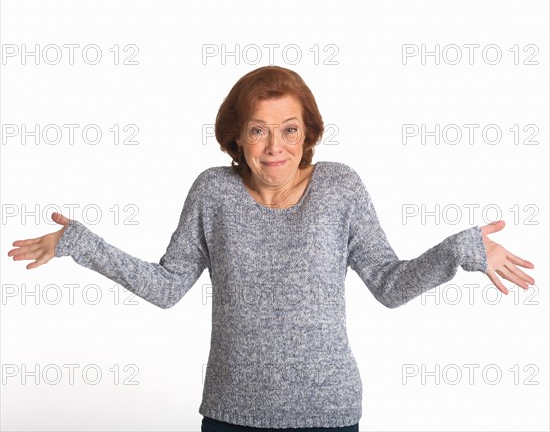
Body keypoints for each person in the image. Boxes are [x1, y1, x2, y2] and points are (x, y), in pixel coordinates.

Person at [8, 65, 535, 432]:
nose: (275, 146)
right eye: (258, 130)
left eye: (290, 130)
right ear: (236, 136)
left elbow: (389, 285)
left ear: (309, 134)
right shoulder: (213, 192)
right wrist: (79, 242)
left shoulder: (340, 188)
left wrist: (460, 251)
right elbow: (166, 286)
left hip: (326, 412)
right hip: (230, 412)